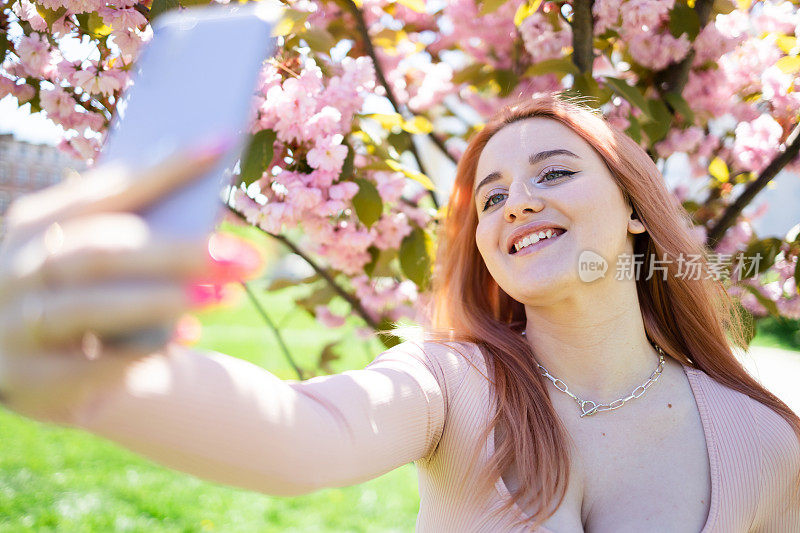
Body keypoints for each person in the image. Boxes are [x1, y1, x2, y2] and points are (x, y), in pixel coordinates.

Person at [1, 93, 798, 532]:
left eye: (553, 172)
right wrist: (92, 372)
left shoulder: (762, 440)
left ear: (633, 209)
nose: (516, 202)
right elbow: (296, 434)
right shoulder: (451, 383)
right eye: (492, 196)